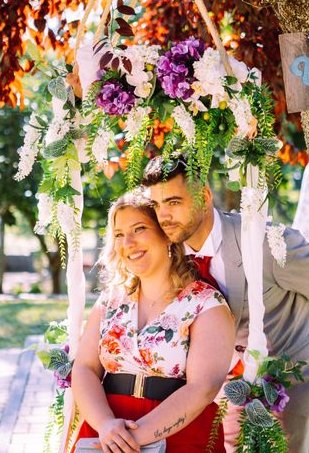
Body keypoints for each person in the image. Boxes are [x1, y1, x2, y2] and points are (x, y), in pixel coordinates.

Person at [142, 156, 309, 453]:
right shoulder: (167, 253)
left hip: (284, 383)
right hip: (223, 386)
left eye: (174, 202)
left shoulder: (265, 242)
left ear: (203, 196)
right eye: (156, 205)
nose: (163, 216)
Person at [71, 191, 235, 452]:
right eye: (119, 235)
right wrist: (105, 426)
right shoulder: (110, 300)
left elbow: (203, 387)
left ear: (165, 234)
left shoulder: (206, 303)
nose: (128, 243)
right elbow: (84, 368)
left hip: (181, 433)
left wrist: (132, 440)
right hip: (106, 431)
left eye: (139, 229)